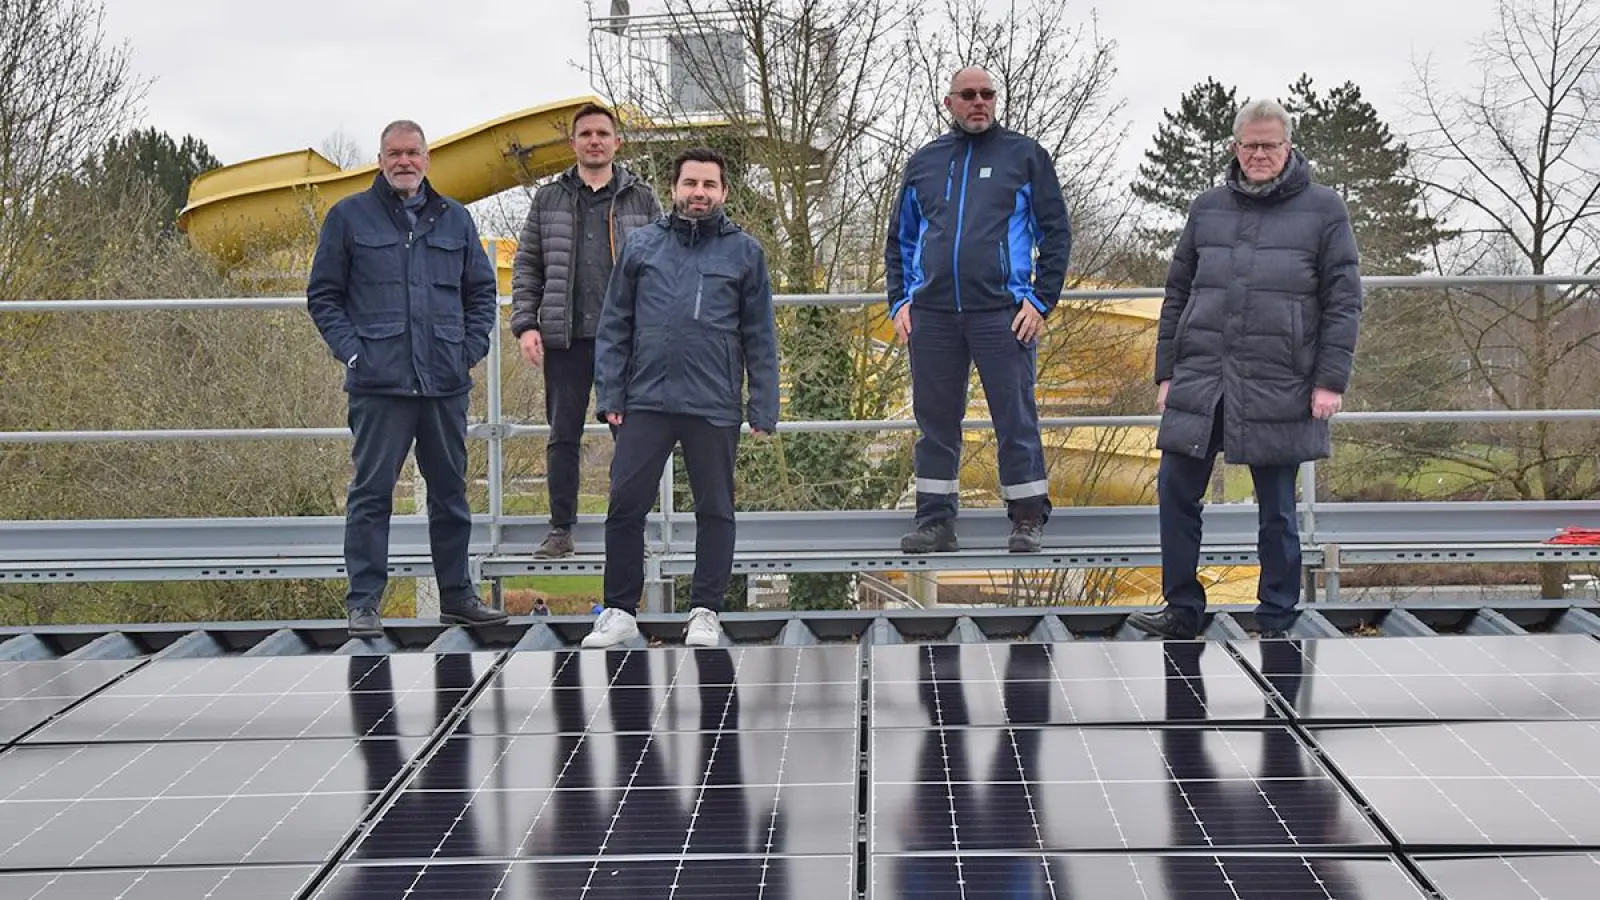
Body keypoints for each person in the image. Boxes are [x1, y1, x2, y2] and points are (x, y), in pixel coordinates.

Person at [1128, 98, 1362, 641]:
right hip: (1202, 377)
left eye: (1269, 145)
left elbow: (1344, 301)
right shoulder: (1206, 207)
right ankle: (1182, 608)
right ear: (1235, 146)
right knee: (1176, 491)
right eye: (1249, 145)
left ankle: (1277, 617)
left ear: (1288, 147)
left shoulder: (1325, 209)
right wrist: (1167, 371)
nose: (1259, 154)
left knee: (1277, 507)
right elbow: (1177, 292)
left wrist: (1330, 380)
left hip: (1281, 379)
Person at [307, 119, 508, 639]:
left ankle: (458, 597)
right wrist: (353, 354)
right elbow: (324, 296)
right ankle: (365, 603)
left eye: (413, 153)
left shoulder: (455, 220)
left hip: (443, 382)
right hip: (379, 385)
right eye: (394, 153)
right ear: (380, 159)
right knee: (372, 495)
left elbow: (481, 294)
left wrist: (469, 350)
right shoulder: (348, 218)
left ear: (426, 159)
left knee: (450, 494)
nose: (404, 161)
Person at [581, 146, 779, 649]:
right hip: (645, 399)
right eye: (690, 184)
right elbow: (614, 326)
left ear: (724, 192)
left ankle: (705, 611)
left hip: (713, 403)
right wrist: (610, 393)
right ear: (674, 188)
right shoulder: (642, 246)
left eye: (709, 185)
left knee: (715, 510)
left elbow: (760, 335)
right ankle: (620, 611)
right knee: (625, 505)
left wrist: (763, 403)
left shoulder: (745, 252)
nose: (699, 193)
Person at [884, 66, 1071, 555]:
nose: (979, 102)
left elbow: (1056, 233)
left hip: (1003, 313)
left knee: (1015, 417)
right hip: (934, 315)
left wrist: (1041, 300)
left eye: (987, 94)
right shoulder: (924, 162)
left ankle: (1027, 518)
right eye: (968, 95)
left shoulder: (1025, 156)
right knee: (935, 421)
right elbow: (900, 238)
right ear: (949, 103)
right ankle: (935, 522)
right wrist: (900, 300)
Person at [510, 103, 663, 559]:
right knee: (563, 435)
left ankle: (630, 527)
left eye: (602, 133)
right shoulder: (549, 199)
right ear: (573, 142)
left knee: (633, 437)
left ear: (617, 142)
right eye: (585, 134)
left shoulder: (642, 197)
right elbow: (527, 265)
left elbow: (661, 267)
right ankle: (560, 530)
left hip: (625, 340)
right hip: (565, 337)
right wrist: (525, 325)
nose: (594, 140)